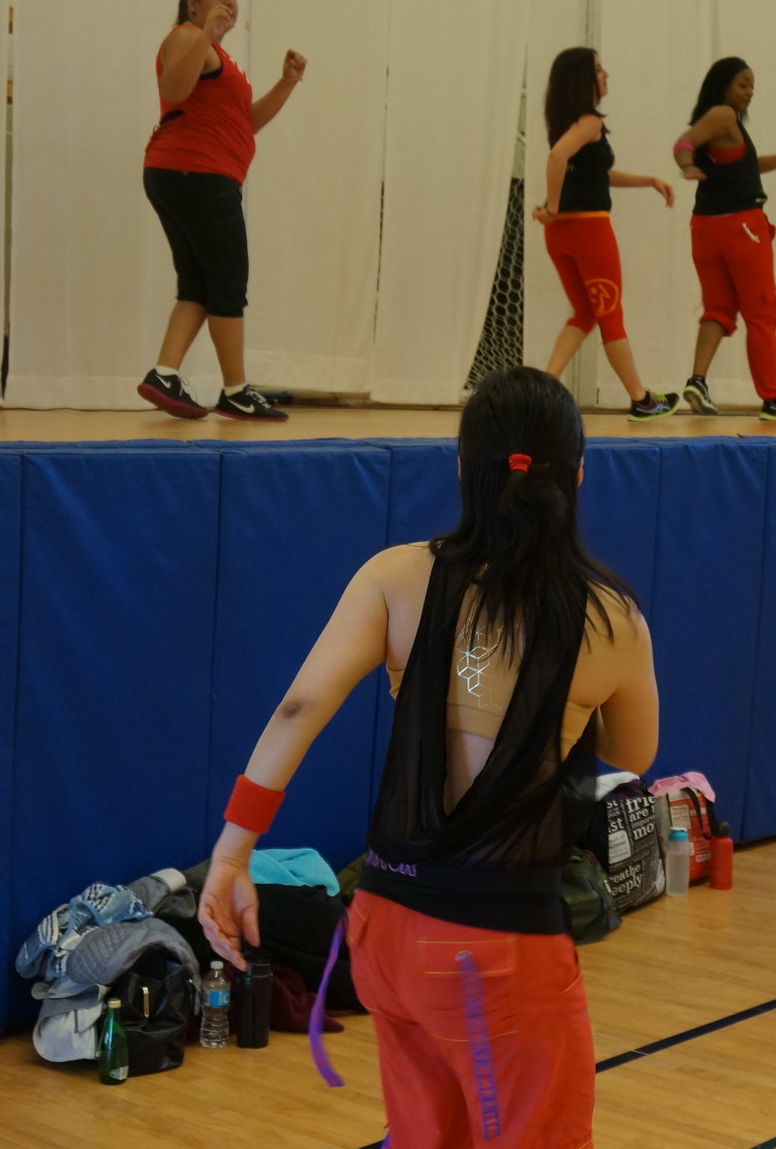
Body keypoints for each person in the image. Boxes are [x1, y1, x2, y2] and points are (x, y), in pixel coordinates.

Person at [198, 366, 660, 1146]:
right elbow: (632, 754)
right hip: (500, 950)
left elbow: (297, 709)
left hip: (386, 931)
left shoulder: (393, 576)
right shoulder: (611, 619)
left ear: (462, 467)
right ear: (579, 474)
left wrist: (231, 852)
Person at [136, 0, 305, 422]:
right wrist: (206, 34)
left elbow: (244, 124)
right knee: (228, 280)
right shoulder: (187, 38)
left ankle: (164, 374)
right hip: (197, 173)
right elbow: (174, 88)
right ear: (192, 3)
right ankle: (236, 391)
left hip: (183, 173)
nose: (228, 0)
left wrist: (287, 81)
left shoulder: (213, 54)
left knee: (199, 284)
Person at [669, 58, 776, 421]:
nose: (750, 91)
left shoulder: (722, 123)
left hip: (704, 229)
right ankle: (774, 398)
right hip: (742, 228)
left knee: (719, 309)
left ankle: (697, 381)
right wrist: (687, 164)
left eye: (752, 85)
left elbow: (750, 165)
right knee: (761, 311)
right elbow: (682, 143)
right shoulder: (723, 115)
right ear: (723, 85)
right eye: (743, 84)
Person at [531, 47, 679, 422]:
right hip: (589, 232)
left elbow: (595, 176)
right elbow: (556, 158)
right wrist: (552, 207)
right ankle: (641, 399)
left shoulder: (567, 122)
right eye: (599, 69)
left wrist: (649, 180)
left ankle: (545, 390)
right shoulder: (589, 121)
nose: (606, 74)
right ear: (583, 79)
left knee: (585, 313)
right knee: (610, 315)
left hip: (561, 236)